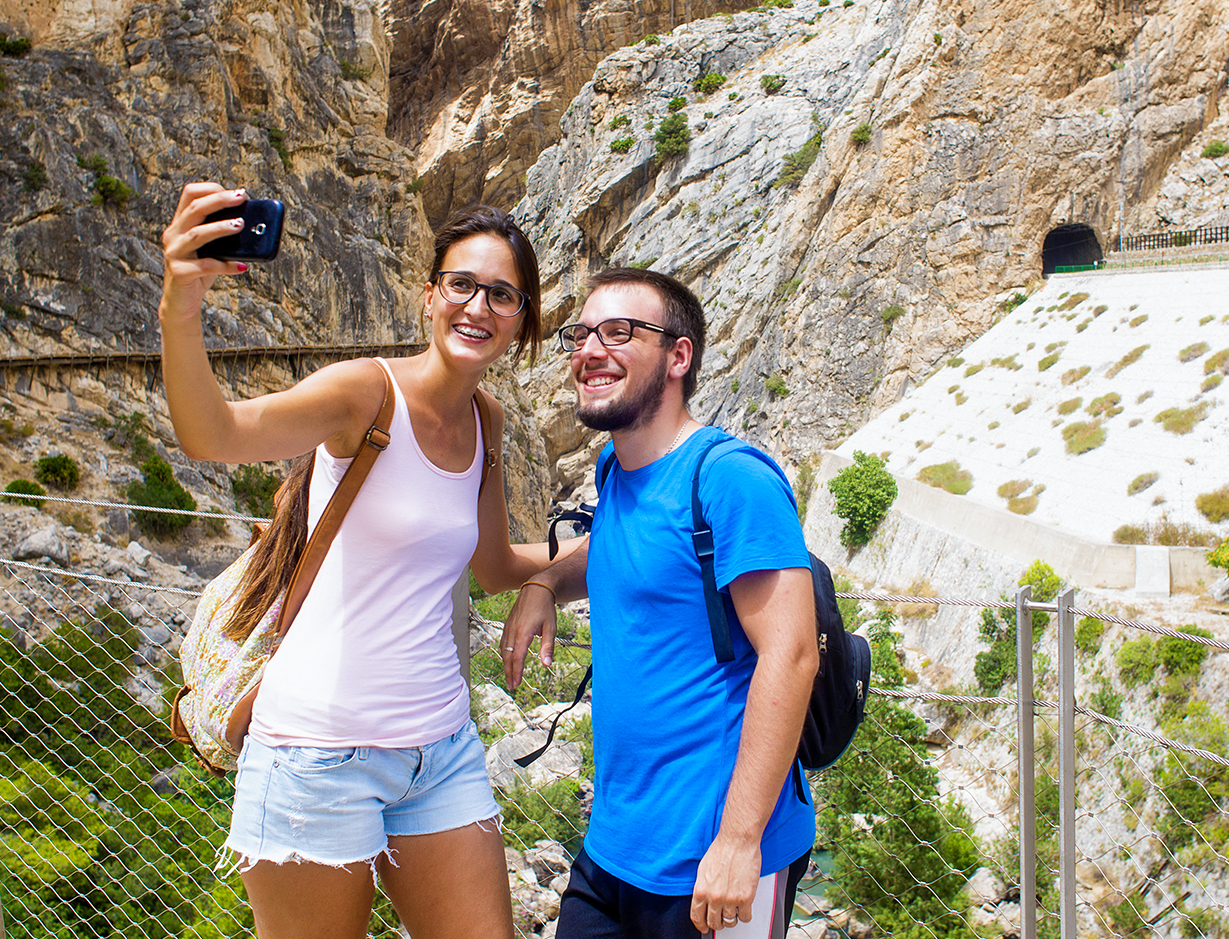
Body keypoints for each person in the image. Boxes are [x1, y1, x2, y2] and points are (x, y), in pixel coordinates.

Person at [159, 183, 559, 939]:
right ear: (430, 296)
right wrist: (182, 298)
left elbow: (495, 566)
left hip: (439, 751)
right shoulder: (362, 393)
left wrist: (601, 552)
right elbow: (214, 433)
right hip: (317, 756)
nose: (478, 307)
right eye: (462, 285)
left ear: (522, 322)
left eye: (502, 296)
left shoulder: (487, 421)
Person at [502, 267, 820, 938]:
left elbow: (791, 656)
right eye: (581, 333)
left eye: (619, 332)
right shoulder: (617, 469)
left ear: (679, 356)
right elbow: (623, 548)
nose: (590, 349)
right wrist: (545, 583)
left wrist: (738, 843)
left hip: (715, 864)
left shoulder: (731, 478)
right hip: (614, 847)